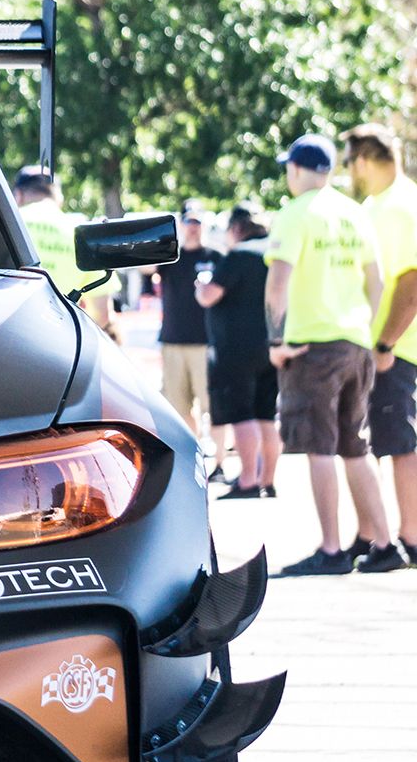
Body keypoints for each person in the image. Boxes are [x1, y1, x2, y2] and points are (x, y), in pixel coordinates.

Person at [265, 133, 399, 575]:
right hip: (356, 342)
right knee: (355, 446)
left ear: (299, 170)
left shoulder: (295, 213)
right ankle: (384, 543)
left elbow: (278, 283)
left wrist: (275, 341)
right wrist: (369, 332)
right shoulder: (354, 213)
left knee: (319, 447)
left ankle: (330, 549)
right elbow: (376, 281)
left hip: (313, 346)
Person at [342, 123, 417, 567]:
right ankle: (371, 533)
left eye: (349, 162)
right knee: (374, 441)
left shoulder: (399, 207)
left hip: (396, 347)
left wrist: (386, 343)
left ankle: (409, 538)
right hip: (379, 345)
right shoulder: (379, 205)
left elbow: (410, 280)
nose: (348, 171)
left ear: (365, 161)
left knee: (399, 443)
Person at [197, 202, 281, 498]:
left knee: (242, 414)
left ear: (236, 228)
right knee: (267, 416)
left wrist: (201, 284)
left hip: (237, 348)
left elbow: (209, 296)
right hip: (271, 346)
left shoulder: (239, 256)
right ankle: (267, 481)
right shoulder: (274, 253)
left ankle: (247, 480)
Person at [11, 165, 111, 330]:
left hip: (8, 339)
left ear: (19, 195)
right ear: (59, 197)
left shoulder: (7, 226)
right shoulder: (84, 234)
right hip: (60, 343)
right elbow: (101, 314)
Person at [156, 200, 217, 447]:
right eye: (189, 221)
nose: (193, 227)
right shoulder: (170, 255)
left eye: (197, 222)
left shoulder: (215, 256)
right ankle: (196, 445)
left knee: (210, 403)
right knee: (177, 404)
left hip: (205, 341)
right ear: (181, 224)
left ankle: (216, 448)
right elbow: (146, 270)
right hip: (173, 340)